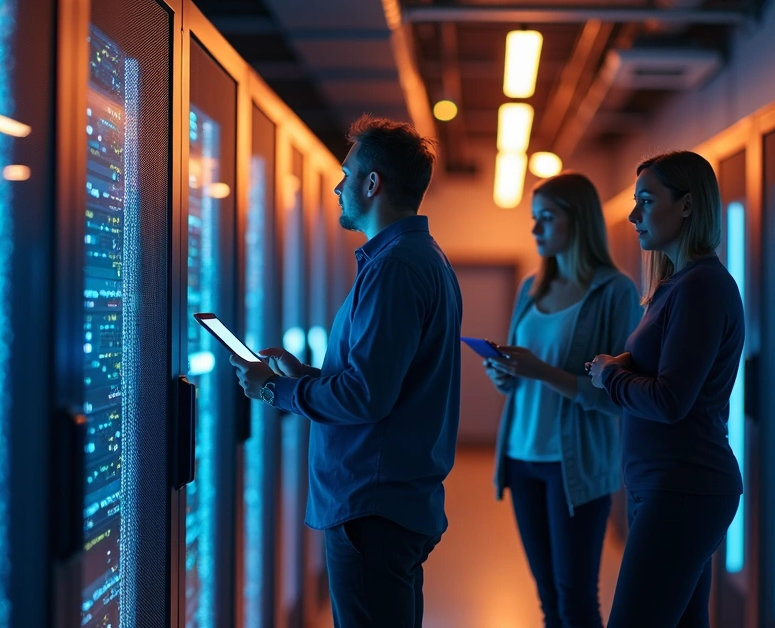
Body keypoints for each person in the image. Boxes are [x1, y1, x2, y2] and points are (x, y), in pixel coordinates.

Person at [229, 115, 462, 628]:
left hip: (371, 506)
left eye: (346, 173)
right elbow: (380, 380)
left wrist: (276, 392)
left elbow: (366, 397)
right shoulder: (419, 259)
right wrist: (304, 376)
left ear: (372, 183)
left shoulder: (396, 267)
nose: (338, 187)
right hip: (388, 500)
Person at [588, 151, 745, 628]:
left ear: (687, 206)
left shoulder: (701, 288)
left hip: (683, 488)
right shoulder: (676, 286)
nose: (635, 215)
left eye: (646, 200)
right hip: (666, 486)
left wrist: (610, 375)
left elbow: (670, 400)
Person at [484, 173, 641, 628]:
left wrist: (540, 370)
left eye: (546, 219)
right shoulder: (531, 289)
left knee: (575, 599)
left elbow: (615, 396)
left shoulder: (616, 292)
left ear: (579, 221)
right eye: (534, 220)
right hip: (521, 456)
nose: (535, 231)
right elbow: (518, 383)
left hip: (575, 464)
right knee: (549, 598)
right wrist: (505, 373)